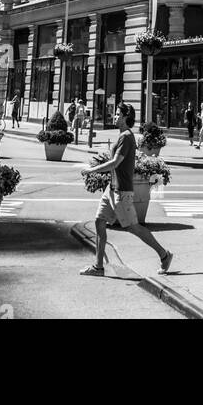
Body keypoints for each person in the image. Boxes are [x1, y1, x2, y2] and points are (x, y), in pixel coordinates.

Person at [79, 103, 173, 278]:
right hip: (111, 188)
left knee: (133, 227)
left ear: (125, 117)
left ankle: (164, 255)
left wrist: (92, 170)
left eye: (117, 114)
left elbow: (115, 162)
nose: (114, 117)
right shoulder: (122, 135)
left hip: (121, 191)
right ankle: (98, 267)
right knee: (99, 222)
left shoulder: (127, 137)